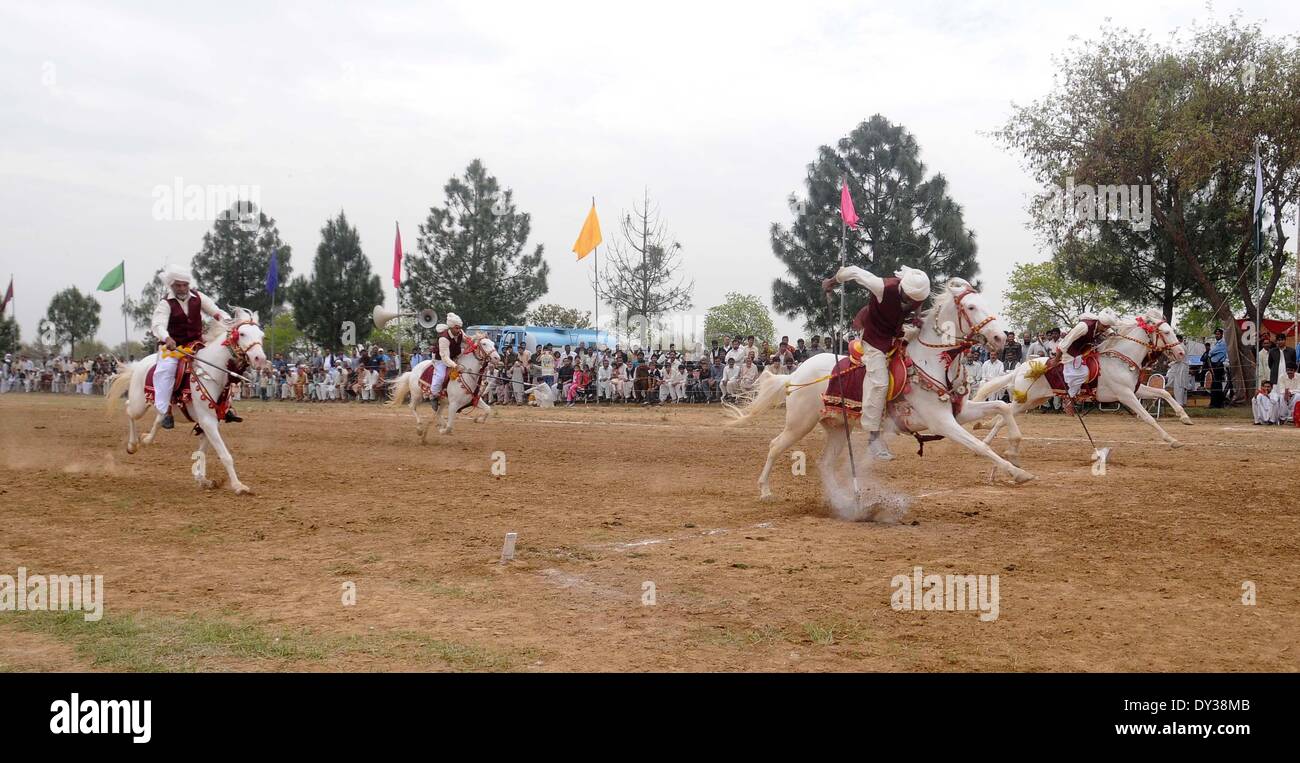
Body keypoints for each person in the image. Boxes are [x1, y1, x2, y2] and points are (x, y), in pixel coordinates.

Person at [822, 264, 931, 460]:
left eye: (914, 301)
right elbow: (855, 271)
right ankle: (873, 437)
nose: (909, 303)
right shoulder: (882, 287)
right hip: (873, 338)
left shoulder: (917, 292)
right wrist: (832, 281)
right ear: (902, 289)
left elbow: (917, 302)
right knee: (880, 383)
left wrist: (916, 316)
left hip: (896, 332)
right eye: (907, 298)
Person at [149, 264, 233, 430]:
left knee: (220, 366)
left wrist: (227, 320)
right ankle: (165, 411)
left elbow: (216, 311)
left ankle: (225, 406)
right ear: (171, 286)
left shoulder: (199, 297)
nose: (182, 288)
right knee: (165, 371)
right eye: (178, 285)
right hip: (173, 349)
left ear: (189, 284)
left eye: (185, 284)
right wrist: (167, 338)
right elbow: (158, 325)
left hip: (197, 345)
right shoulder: (165, 304)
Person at [1057, 308, 1120, 400]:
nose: (1105, 329)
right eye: (1104, 326)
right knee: (1083, 373)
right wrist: (1056, 359)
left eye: (1108, 327)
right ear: (1099, 321)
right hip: (1070, 352)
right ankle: (1069, 398)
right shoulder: (1084, 326)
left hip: (1084, 351)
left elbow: (1108, 331)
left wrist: (1112, 335)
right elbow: (1064, 343)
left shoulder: (1103, 326)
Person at [427, 313, 467, 401]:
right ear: (451, 327)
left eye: (460, 328)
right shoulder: (443, 338)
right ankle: (433, 394)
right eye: (457, 328)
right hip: (440, 359)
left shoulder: (460, 332)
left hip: (454, 356)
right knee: (440, 376)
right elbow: (445, 358)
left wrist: (478, 339)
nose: (459, 330)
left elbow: (468, 340)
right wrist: (455, 366)